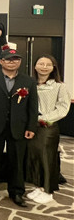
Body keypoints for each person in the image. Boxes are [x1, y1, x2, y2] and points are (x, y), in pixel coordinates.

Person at [0, 49, 38, 207]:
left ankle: (17, 192)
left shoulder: (28, 81)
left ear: (20, 62)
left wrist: (31, 127)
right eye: (8, 59)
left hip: (19, 127)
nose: (12, 62)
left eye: (16, 59)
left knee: (17, 160)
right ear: (1, 62)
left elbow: (33, 107)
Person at [26, 55, 71, 204]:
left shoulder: (59, 86)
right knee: (35, 157)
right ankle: (39, 186)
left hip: (47, 127)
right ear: (35, 66)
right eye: (41, 64)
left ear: (53, 68)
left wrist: (43, 118)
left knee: (47, 158)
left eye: (48, 64)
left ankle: (48, 190)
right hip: (32, 127)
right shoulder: (30, 84)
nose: (44, 67)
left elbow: (63, 108)